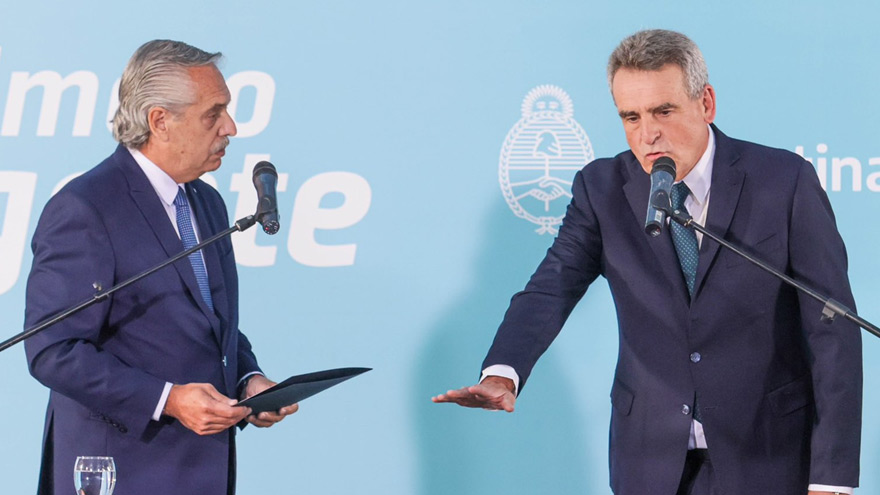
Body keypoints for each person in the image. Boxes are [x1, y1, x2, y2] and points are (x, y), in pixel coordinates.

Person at [433, 29, 862, 495]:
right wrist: (503, 372)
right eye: (631, 116)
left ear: (706, 103)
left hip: (769, 457)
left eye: (663, 111)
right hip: (649, 463)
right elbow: (550, 289)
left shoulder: (783, 181)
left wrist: (832, 479)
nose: (647, 133)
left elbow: (833, 328)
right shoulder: (601, 190)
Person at [24, 40, 297, 495]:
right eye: (214, 114)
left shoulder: (206, 202)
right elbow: (53, 350)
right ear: (159, 121)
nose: (230, 127)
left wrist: (248, 380)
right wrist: (167, 399)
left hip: (201, 471)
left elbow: (212, 325)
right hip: (121, 472)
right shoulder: (86, 208)